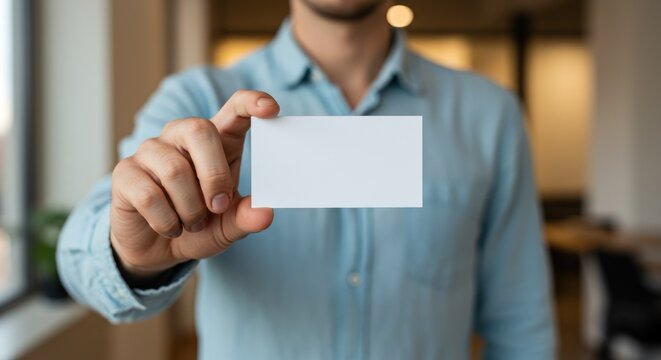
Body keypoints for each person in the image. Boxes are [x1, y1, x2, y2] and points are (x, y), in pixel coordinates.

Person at [57, 0, 556, 358]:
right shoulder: (197, 99)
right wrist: (131, 258)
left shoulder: (491, 115)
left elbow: (521, 324)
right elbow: (78, 256)